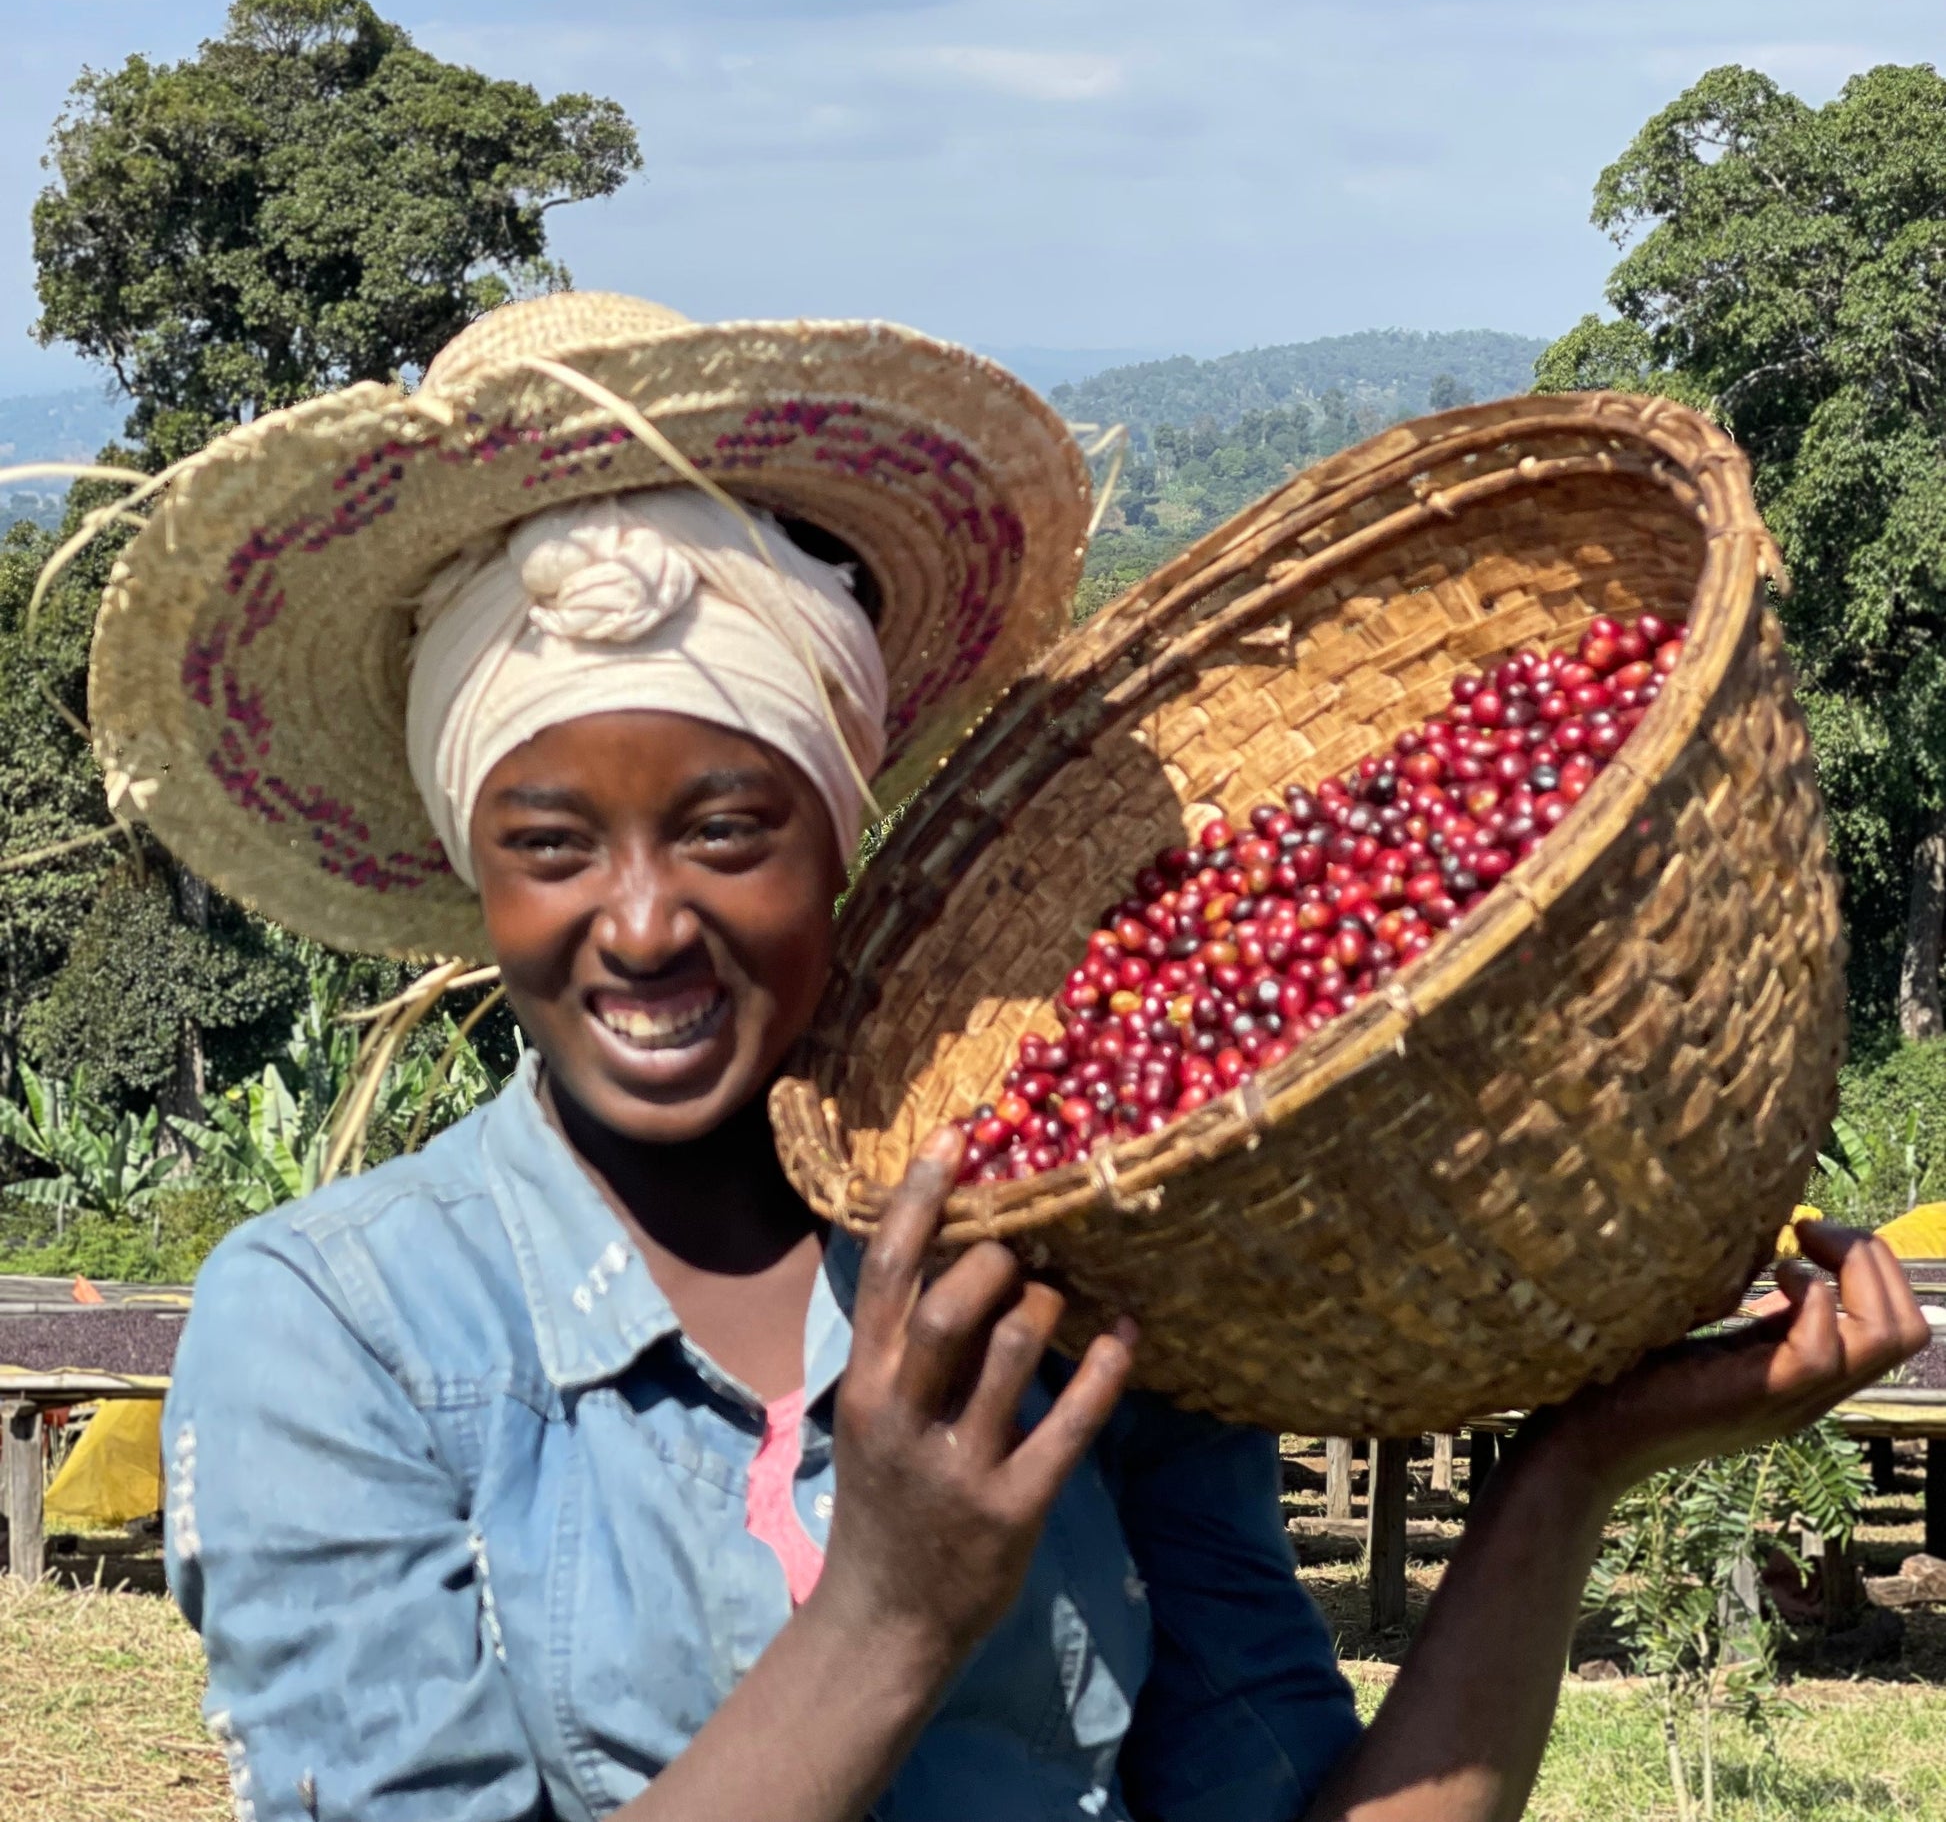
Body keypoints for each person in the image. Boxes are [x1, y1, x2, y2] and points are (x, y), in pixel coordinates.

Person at [95, 291, 1923, 1822]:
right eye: (550, 846)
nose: (642, 925)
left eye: (729, 828)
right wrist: (891, 1605)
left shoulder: (1052, 1266)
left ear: (844, 841)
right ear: (471, 880)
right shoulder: (346, 1332)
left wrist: (1569, 1473)